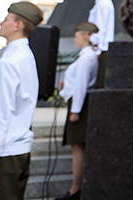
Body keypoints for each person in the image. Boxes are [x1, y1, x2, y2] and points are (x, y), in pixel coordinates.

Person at [0, 2, 43, 200]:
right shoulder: (26, 56)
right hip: (18, 151)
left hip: (3, 155)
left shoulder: (9, 62)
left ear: (17, 25)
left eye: (6, 19)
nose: (0, 23)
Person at [54, 22, 100, 200]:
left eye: (78, 35)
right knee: (78, 146)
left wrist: (75, 111)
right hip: (79, 103)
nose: (75, 39)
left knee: (77, 147)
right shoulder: (87, 56)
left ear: (86, 36)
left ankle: (75, 189)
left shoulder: (86, 57)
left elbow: (80, 86)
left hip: (80, 103)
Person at [88, 0, 115, 88]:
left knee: (98, 82)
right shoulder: (102, 3)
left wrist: (96, 48)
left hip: (100, 49)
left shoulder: (103, 4)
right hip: (101, 48)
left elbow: (99, 28)